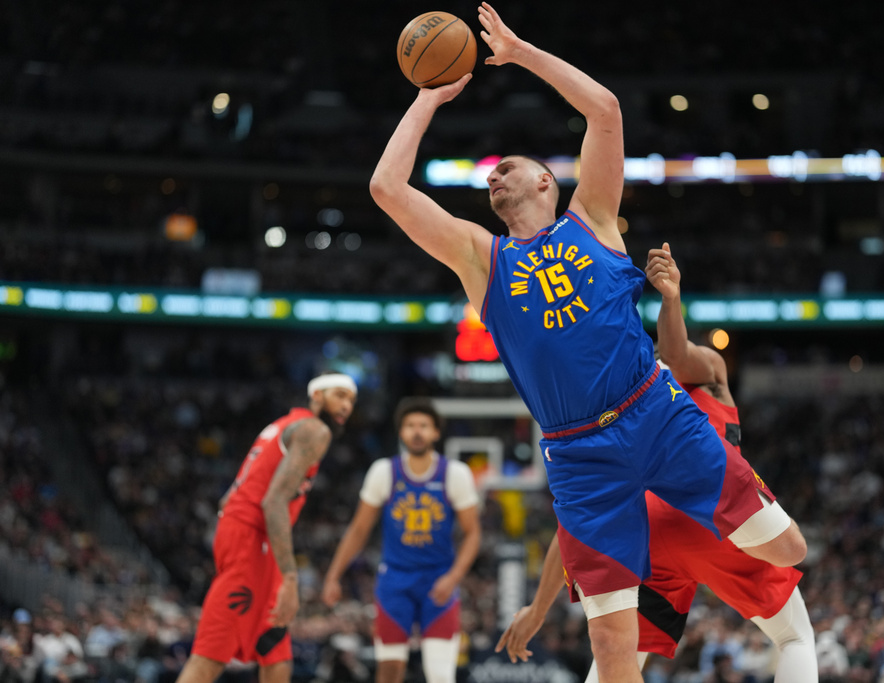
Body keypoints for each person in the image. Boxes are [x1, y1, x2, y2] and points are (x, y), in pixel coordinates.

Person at [369, 4, 805, 680]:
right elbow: (386, 188)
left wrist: (519, 52)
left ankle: (703, 521)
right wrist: (428, 98)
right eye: (490, 175)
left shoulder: (594, 218)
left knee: (787, 549)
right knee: (611, 651)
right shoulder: (482, 259)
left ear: (548, 178)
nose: (493, 175)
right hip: (579, 456)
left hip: (657, 414)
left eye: (506, 166)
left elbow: (604, 109)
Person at [494, 244, 817, 682]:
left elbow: (572, 530)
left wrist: (538, 608)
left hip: (643, 537)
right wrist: (670, 296)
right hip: (706, 515)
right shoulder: (701, 373)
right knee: (795, 636)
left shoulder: (606, 402)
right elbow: (679, 354)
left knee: (620, 658)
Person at [175, 373, 358, 683]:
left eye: (351, 400)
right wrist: (290, 576)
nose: (346, 406)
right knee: (209, 656)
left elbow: (228, 497)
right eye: (339, 395)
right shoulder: (315, 430)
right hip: (252, 540)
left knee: (275, 649)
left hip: (244, 535)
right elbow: (273, 502)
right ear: (316, 397)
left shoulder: (280, 426)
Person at [321, 397, 481, 683]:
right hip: (395, 581)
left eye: (423, 425)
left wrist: (454, 577)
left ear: (435, 432)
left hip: (439, 581)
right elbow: (358, 530)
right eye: (410, 426)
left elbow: (473, 533)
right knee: (389, 672)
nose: (417, 431)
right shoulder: (384, 472)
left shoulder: (455, 474)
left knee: (441, 676)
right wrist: (333, 575)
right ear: (401, 432)